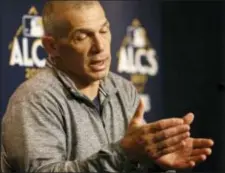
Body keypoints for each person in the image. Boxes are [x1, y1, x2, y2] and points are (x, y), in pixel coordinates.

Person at [1, 1, 214, 172]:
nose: (100, 47)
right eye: (82, 36)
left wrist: (154, 162)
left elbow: (127, 165)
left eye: (104, 31)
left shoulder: (123, 89)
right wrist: (124, 153)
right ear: (52, 46)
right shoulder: (34, 99)